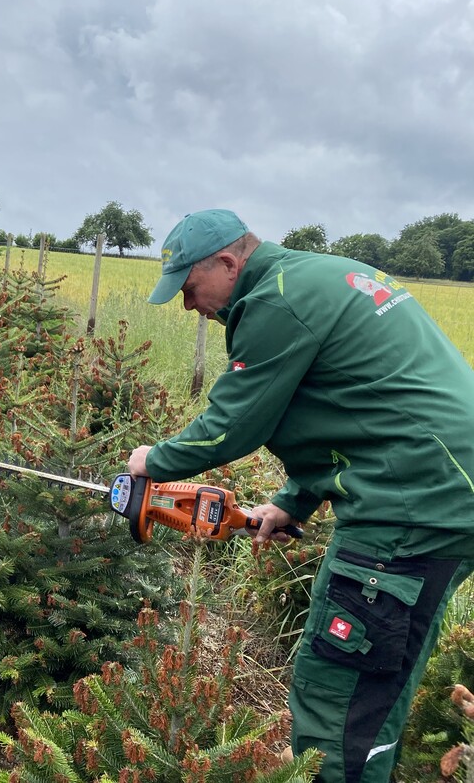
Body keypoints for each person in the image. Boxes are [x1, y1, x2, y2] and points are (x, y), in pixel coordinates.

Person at [127, 208, 474, 783]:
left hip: (413, 504)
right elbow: (341, 408)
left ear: (227, 262)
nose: (189, 306)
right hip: (440, 490)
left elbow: (234, 424)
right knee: (374, 692)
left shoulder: (275, 302)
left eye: (189, 289)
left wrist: (152, 461)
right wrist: (294, 500)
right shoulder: (311, 277)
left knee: (339, 701)